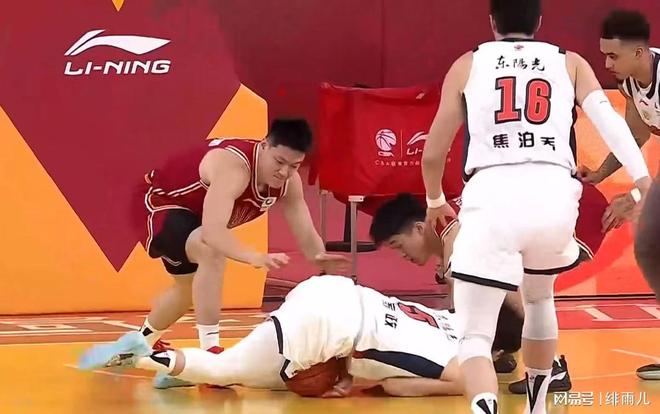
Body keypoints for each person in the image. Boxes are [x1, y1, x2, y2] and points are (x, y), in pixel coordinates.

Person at [419, 0, 652, 412]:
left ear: (491, 21)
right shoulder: (570, 62)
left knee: (474, 335)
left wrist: (435, 199)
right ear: (539, 22)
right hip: (553, 198)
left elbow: (433, 153)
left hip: (493, 196)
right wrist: (643, 181)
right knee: (540, 300)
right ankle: (538, 406)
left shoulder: (468, 64)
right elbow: (612, 126)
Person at [131, 119, 349, 388]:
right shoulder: (234, 168)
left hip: (193, 218)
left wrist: (319, 257)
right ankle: (211, 354)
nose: (284, 172)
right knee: (211, 250)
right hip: (156, 204)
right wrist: (253, 256)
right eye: (279, 161)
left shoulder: (288, 182)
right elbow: (213, 233)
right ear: (264, 145)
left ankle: (139, 343)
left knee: (187, 290)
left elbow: (304, 228)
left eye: (294, 166)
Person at [78, 275, 520, 397]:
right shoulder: (464, 359)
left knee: (255, 374)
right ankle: (143, 355)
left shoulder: (447, 315)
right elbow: (396, 386)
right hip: (331, 325)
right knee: (227, 368)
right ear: (495, 346)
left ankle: (179, 368)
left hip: (333, 290)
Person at [369, 184, 611, 394]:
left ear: (419, 228)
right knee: (489, 291)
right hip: (552, 208)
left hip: (577, 211)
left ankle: (552, 367)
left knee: (516, 289)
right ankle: (501, 352)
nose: (402, 255)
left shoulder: (454, 234)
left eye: (398, 245)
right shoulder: (448, 229)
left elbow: (471, 308)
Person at [579, 9, 660, 381]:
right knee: (650, 249)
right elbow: (634, 135)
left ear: (639, 53)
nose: (606, 64)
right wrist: (598, 174)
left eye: (613, 56)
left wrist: (635, 196)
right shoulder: (631, 83)